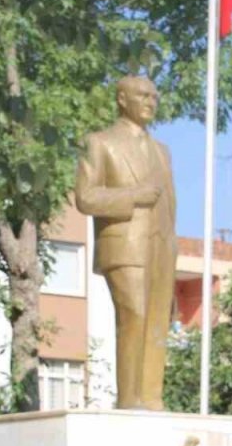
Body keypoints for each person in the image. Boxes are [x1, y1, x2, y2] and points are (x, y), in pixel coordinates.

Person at [74, 74, 178, 410]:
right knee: (134, 313)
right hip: (124, 244)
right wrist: (133, 195)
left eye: (154, 97)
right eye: (143, 95)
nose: (151, 102)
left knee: (157, 320)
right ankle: (129, 400)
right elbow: (86, 197)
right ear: (122, 99)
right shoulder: (100, 143)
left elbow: (170, 204)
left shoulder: (163, 151)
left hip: (161, 247)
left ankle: (152, 397)